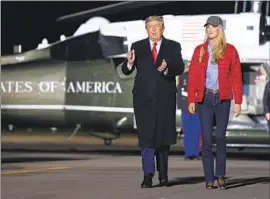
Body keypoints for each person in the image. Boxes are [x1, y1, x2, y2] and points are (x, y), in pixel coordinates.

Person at [121, 15, 185, 188]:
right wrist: (129, 63)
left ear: (163, 27)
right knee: (147, 138)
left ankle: (163, 176)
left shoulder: (173, 46)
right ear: (146, 29)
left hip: (165, 99)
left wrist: (167, 68)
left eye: (157, 26)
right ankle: (148, 175)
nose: (154, 29)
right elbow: (126, 71)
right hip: (143, 100)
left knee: (163, 139)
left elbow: (180, 67)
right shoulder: (138, 46)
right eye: (151, 27)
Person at [187, 16, 243, 190]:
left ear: (220, 29)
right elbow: (193, 76)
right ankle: (209, 178)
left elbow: (236, 77)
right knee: (207, 139)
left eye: (213, 27)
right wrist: (191, 99)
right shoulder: (200, 50)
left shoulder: (230, 50)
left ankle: (220, 176)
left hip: (222, 99)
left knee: (220, 137)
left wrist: (238, 101)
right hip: (205, 99)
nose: (209, 30)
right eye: (207, 27)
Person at [177, 70, 202, 160]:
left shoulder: (201, 75)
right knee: (187, 132)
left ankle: (195, 153)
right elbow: (179, 91)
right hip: (185, 107)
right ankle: (188, 153)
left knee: (196, 132)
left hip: (197, 108)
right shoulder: (182, 76)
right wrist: (180, 105)